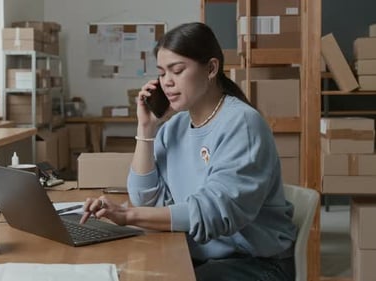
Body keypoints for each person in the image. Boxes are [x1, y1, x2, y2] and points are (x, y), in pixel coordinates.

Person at [80, 22, 297, 281]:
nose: (167, 82)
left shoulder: (242, 124)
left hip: (254, 263)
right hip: (194, 252)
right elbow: (145, 200)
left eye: (178, 70)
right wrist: (146, 129)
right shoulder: (174, 127)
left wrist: (127, 215)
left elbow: (214, 213)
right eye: (161, 73)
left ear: (211, 68)